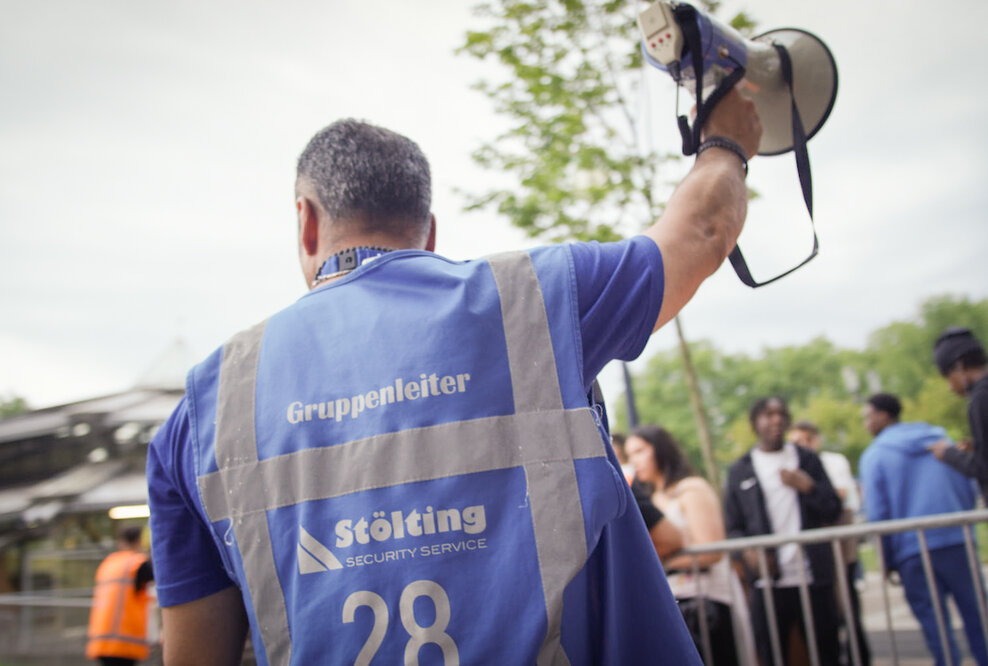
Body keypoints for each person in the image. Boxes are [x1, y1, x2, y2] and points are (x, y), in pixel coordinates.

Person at [146, 90, 762, 664]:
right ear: (429, 232)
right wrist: (727, 142)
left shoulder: (203, 411)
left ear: (306, 222)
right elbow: (701, 232)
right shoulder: (534, 303)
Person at [859, 392, 987, 666]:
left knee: (936, 628)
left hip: (912, 549)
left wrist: (886, 557)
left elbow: (878, 513)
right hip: (956, 538)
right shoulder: (940, 440)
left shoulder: (876, 455)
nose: (865, 424)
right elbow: (966, 485)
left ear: (884, 415)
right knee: (979, 618)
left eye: (867, 417)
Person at [723, 397, 843, 666]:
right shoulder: (740, 469)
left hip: (813, 577)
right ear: (755, 423)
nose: (776, 419)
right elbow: (733, 527)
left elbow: (833, 508)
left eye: (781, 413)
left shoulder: (807, 460)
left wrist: (808, 487)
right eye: (768, 414)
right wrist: (749, 552)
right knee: (772, 654)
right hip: (768, 583)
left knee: (827, 651)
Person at [626, 424, 754, 666]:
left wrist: (661, 561)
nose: (635, 461)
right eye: (631, 455)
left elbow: (711, 550)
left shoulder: (692, 489)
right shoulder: (651, 498)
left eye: (640, 451)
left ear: (660, 449)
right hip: (675, 602)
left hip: (709, 602)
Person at [789, 419, 871, 665]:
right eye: (796, 442)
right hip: (814, 556)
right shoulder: (795, 465)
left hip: (840, 549)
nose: (802, 446)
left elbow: (838, 497)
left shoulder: (832, 462)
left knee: (847, 608)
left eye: (805, 440)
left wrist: (809, 487)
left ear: (816, 439)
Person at [929, 326, 988, 505]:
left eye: (948, 377)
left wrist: (948, 453)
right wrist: (977, 448)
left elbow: (983, 467)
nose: (950, 386)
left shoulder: (980, 398)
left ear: (960, 366)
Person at [86, 525, 154, 666]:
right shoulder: (137, 564)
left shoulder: (109, 563)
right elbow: (162, 579)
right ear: (139, 540)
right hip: (124, 641)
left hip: (102, 638)